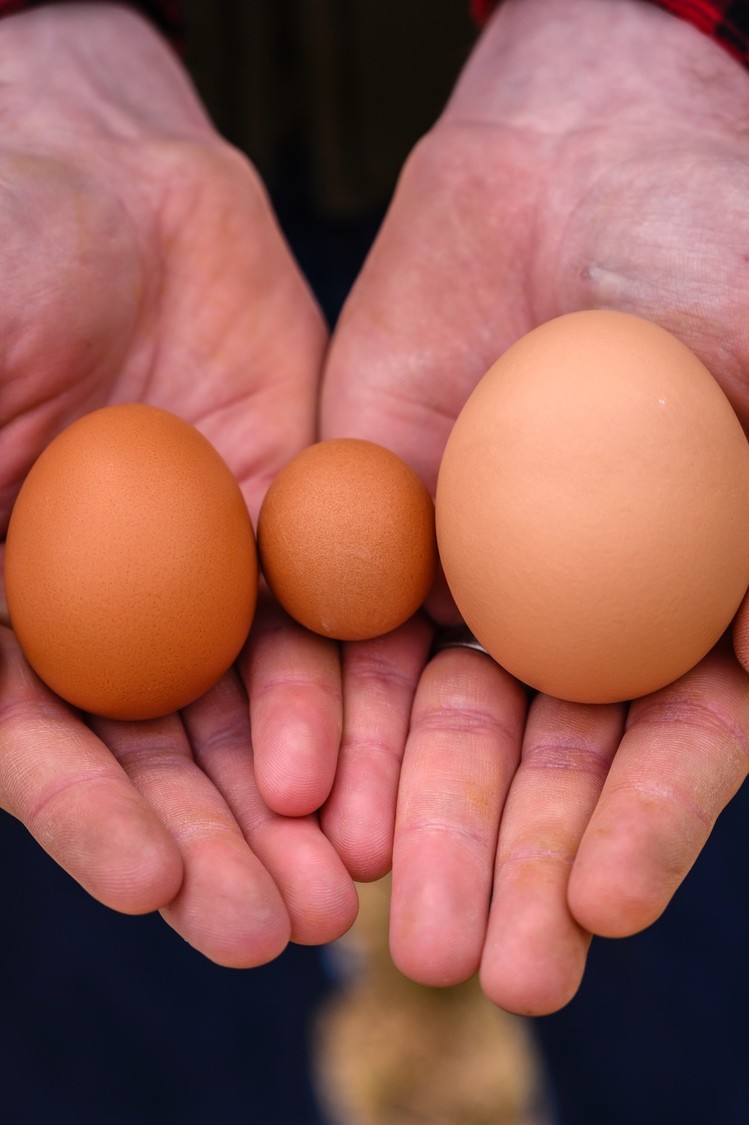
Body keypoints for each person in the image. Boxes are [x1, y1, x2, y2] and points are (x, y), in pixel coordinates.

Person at [2, 0, 749, 1122]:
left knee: (651, 906)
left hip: (512, 167)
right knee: (123, 912)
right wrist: (34, 52)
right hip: (147, 194)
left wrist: (653, 34)